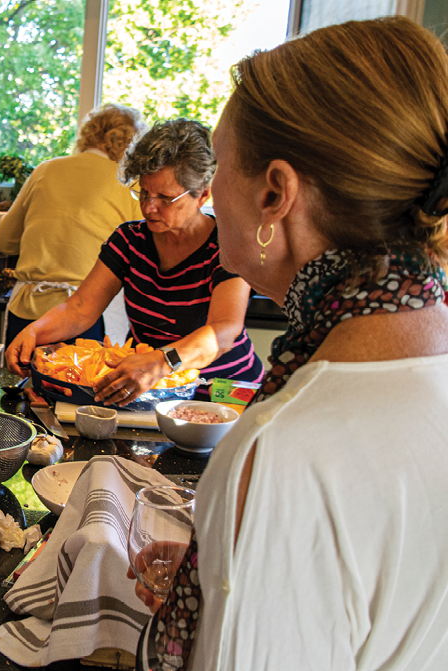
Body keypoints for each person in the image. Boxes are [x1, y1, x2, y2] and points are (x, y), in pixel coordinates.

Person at [134, 17, 448, 670]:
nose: (212, 195)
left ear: (275, 192)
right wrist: (227, 574)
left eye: (220, 169)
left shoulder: (284, 453)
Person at [6, 119, 264, 404]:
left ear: (202, 194)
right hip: (152, 394)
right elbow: (80, 308)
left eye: (165, 198)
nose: (149, 207)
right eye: (143, 192)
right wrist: (35, 331)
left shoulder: (227, 245)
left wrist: (162, 361)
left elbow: (223, 331)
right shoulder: (130, 240)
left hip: (224, 393)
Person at [0, 103, 144, 346]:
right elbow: (143, 251)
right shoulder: (127, 183)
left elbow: (3, 242)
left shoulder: (45, 170)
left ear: (88, 133)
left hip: (28, 311)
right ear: (130, 144)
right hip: (89, 314)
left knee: (22, 371)